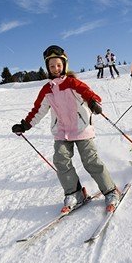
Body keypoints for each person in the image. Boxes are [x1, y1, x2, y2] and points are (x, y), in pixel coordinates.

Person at [12, 45, 120, 212]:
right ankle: (74, 193)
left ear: (64, 65)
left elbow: (89, 94)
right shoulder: (47, 90)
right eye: (52, 66)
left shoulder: (72, 83)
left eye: (59, 65)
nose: (56, 69)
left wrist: (93, 103)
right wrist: (25, 125)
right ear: (48, 68)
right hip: (62, 131)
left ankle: (110, 190)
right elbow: (38, 110)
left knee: (90, 161)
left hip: (81, 128)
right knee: (61, 161)